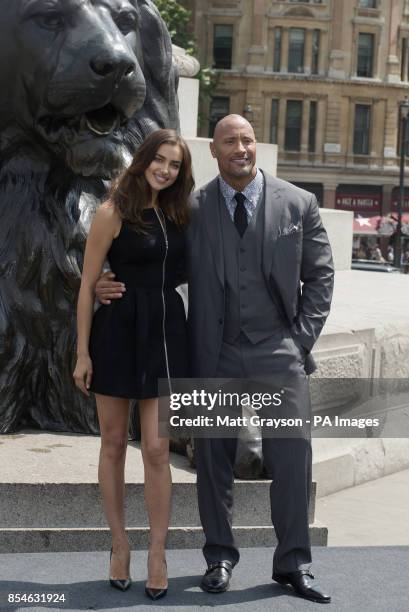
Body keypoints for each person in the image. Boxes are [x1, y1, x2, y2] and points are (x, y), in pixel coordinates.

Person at [96, 115, 334, 604]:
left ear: (255, 145)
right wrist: (106, 277)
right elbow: (154, 257)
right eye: (230, 141)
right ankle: (219, 556)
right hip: (213, 353)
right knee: (213, 463)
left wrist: (299, 342)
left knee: (292, 460)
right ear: (215, 151)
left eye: (247, 139)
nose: (241, 148)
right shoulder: (192, 208)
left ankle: (293, 562)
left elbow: (321, 278)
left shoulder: (299, 203)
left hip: (278, 353)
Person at [73, 128, 194, 601]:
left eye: (174, 164)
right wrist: (82, 353)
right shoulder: (111, 212)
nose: (165, 169)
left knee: (159, 450)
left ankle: (157, 553)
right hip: (118, 333)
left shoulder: (182, 213)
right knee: (112, 444)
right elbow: (87, 286)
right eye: (159, 160)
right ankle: (118, 546)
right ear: (143, 160)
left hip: (166, 335)